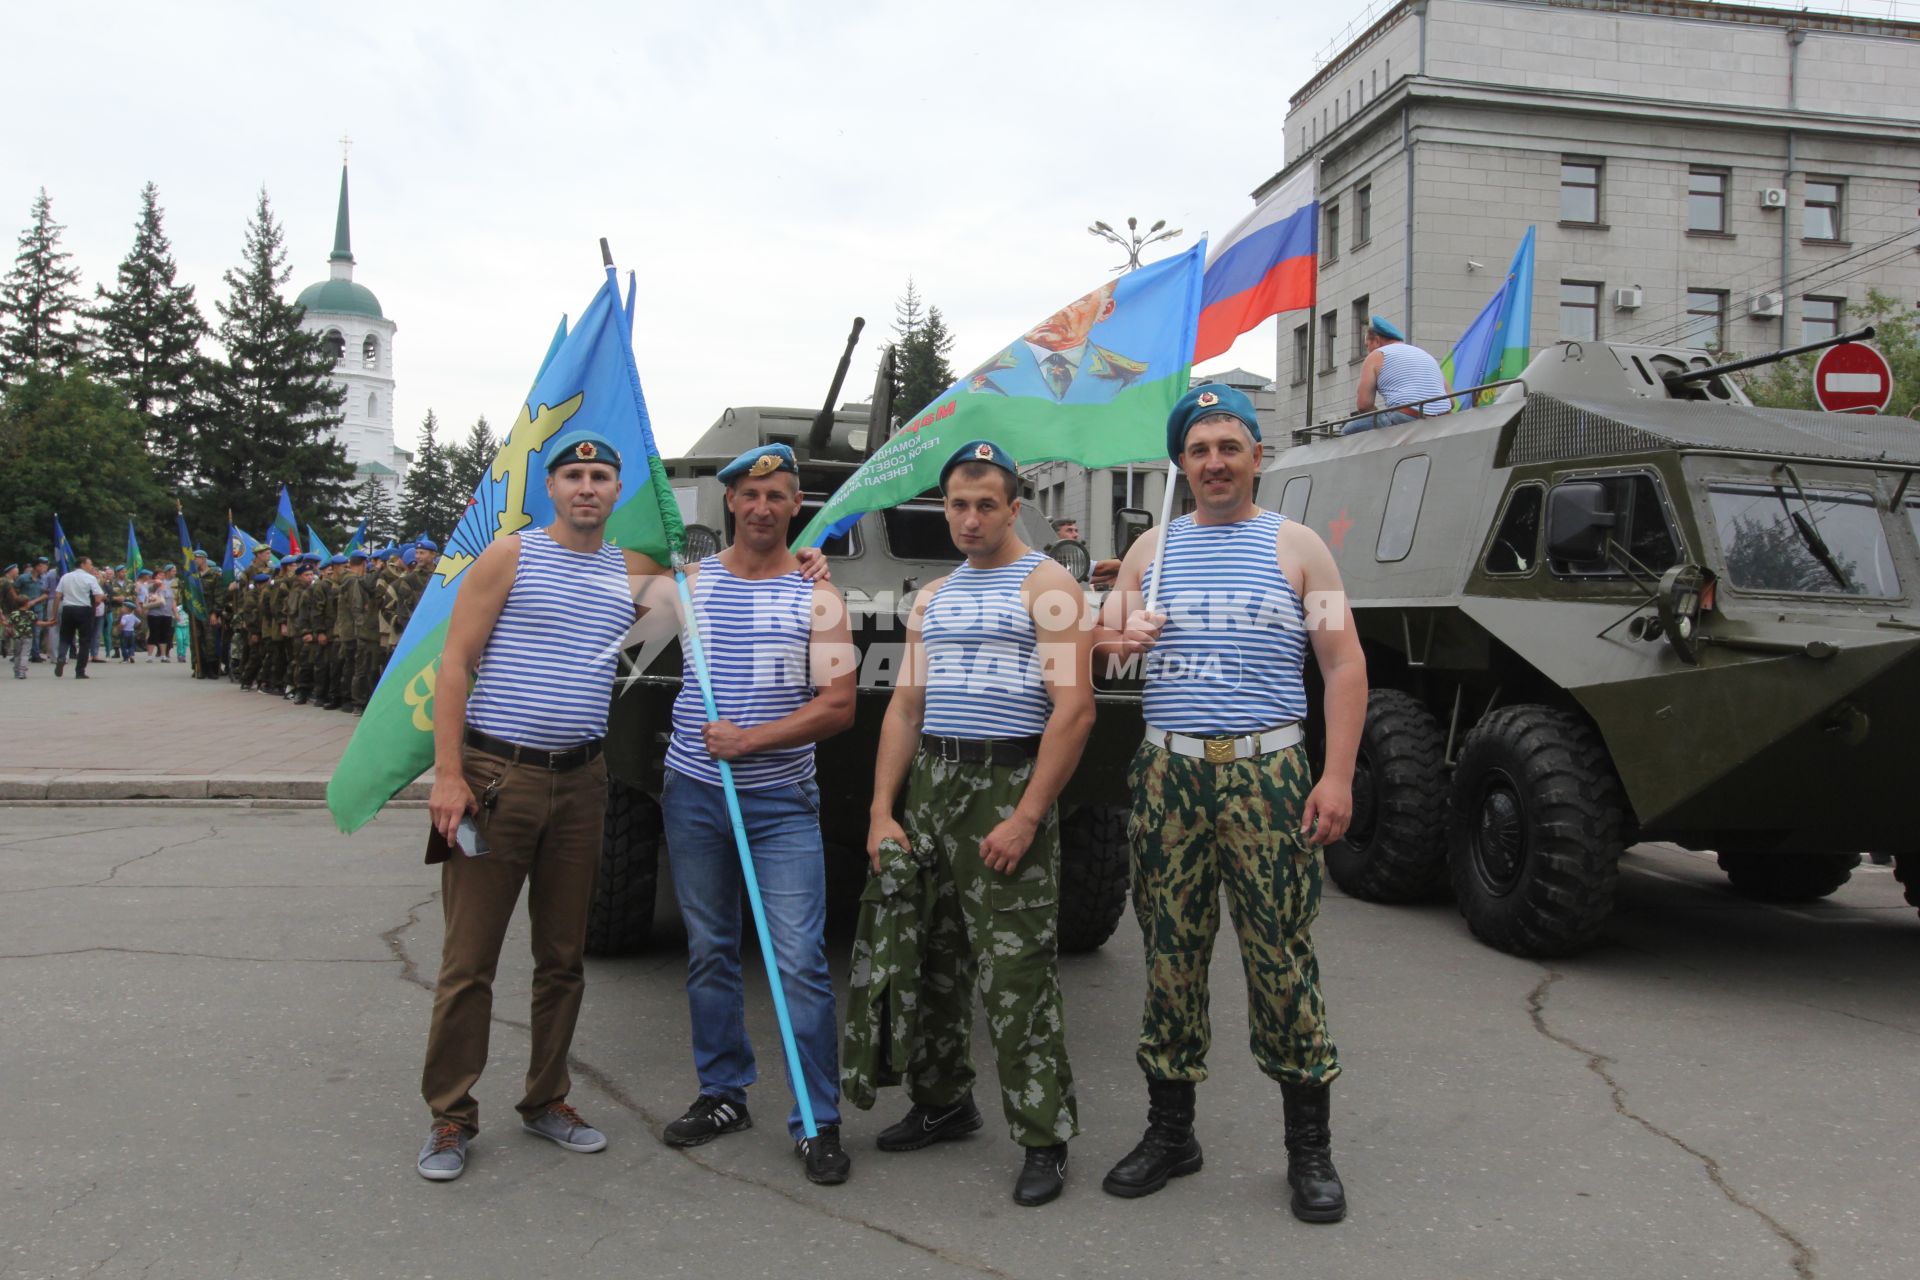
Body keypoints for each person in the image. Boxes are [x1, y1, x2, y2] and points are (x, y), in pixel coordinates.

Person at [418, 428, 830, 1183]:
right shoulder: (508, 557)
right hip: (493, 777)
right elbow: (455, 664)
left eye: (601, 476)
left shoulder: (635, 571)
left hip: (580, 782)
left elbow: (729, 586)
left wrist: (809, 563)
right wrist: (448, 775)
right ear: (552, 488)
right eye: (573, 474)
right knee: (468, 962)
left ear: (617, 492)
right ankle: (451, 1115)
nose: (586, 486)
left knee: (563, 960)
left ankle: (546, 1098)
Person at [1093, 383, 1365, 1222]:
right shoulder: (1151, 551)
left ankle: (1309, 1152)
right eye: (1199, 449)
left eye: (1230, 446)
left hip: (1268, 775)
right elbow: (1099, 647)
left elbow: (1344, 666)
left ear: (1257, 456)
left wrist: (1338, 775)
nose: (1214, 462)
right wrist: (1118, 637)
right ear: (1181, 462)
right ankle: (1171, 1133)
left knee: (1279, 958)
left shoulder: (1301, 549)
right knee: (1170, 954)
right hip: (1170, 776)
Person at [866, 439, 1095, 1208]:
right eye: (957, 505)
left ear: (1013, 507)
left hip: (1006, 784)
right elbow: (905, 705)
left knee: (1017, 972)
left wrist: (1028, 816)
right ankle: (942, 1102)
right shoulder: (934, 595)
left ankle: (1043, 1136)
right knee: (931, 957)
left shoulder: (1049, 585)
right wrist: (881, 812)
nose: (968, 519)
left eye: (984, 505)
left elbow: (1074, 710)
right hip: (934, 782)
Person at [649, 443, 857, 1186]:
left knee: (799, 961)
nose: (763, 506)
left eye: (777, 495)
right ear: (730, 503)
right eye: (750, 494)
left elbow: (838, 706)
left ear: (795, 504)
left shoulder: (819, 596)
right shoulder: (689, 584)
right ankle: (723, 1092)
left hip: (779, 802)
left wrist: (750, 741)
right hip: (694, 793)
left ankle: (817, 1117)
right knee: (709, 949)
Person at [966, 281, 1149, 404]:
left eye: (1078, 301)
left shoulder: (1130, 376)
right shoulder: (983, 379)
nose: (1058, 313)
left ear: (1105, 310)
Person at [1346, 315, 1450, 434]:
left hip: (1406, 418)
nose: (1368, 350)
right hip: (1442, 420)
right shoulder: (1426, 355)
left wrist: (1381, 415)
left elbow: (1364, 405)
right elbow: (1450, 401)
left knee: (1345, 432)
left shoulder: (1376, 356)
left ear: (1376, 340)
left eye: (1367, 345)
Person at [54, 556, 105, 679]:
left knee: (65, 637)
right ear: (83, 564)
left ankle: (61, 657)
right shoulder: (90, 578)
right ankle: (80, 670)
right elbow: (98, 597)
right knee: (84, 640)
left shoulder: (65, 577)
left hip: (67, 609)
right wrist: (95, 605)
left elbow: (57, 596)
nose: (91, 566)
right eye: (90, 564)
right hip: (84, 610)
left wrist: (54, 614)